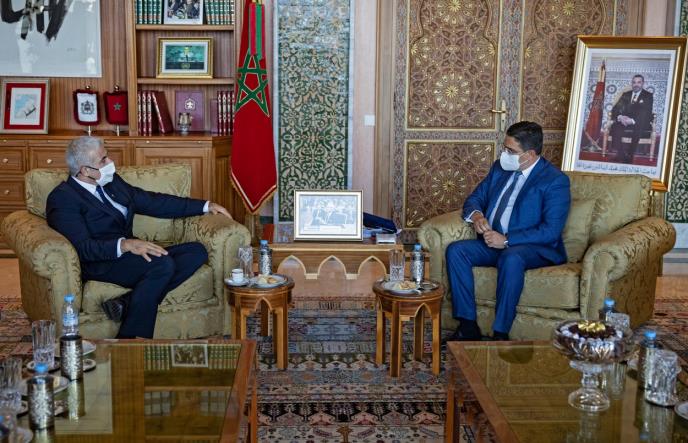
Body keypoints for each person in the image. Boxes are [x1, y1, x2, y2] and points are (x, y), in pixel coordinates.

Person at [46, 137, 232, 339]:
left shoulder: (111, 182)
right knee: (163, 265)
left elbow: (152, 202)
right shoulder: (63, 198)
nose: (110, 162)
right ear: (85, 170)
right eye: (103, 160)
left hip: (130, 254)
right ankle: (131, 341)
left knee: (196, 251)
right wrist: (124, 245)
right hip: (100, 261)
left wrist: (205, 206)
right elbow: (83, 248)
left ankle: (126, 303)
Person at [444, 121, 570, 341]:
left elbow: (550, 230)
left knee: (511, 257)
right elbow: (475, 198)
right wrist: (477, 216)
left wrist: (507, 240)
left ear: (530, 154)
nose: (504, 154)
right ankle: (468, 326)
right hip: (493, 242)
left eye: (511, 151)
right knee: (457, 251)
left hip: (533, 249)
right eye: (505, 148)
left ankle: (500, 334)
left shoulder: (555, 181)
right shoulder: (500, 168)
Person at [610, 74, 654, 164]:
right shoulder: (626, 94)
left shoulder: (648, 96)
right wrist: (620, 117)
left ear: (643, 83)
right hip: (624, 121)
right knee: (615, 126)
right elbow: (615, 109)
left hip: (639, 122)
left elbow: (647, 112)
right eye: (634, 82)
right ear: (632, 83)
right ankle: (621, 154)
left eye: (638, 82)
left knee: (638, 127)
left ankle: (630, 156)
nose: (636, 84)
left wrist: (632, 121)